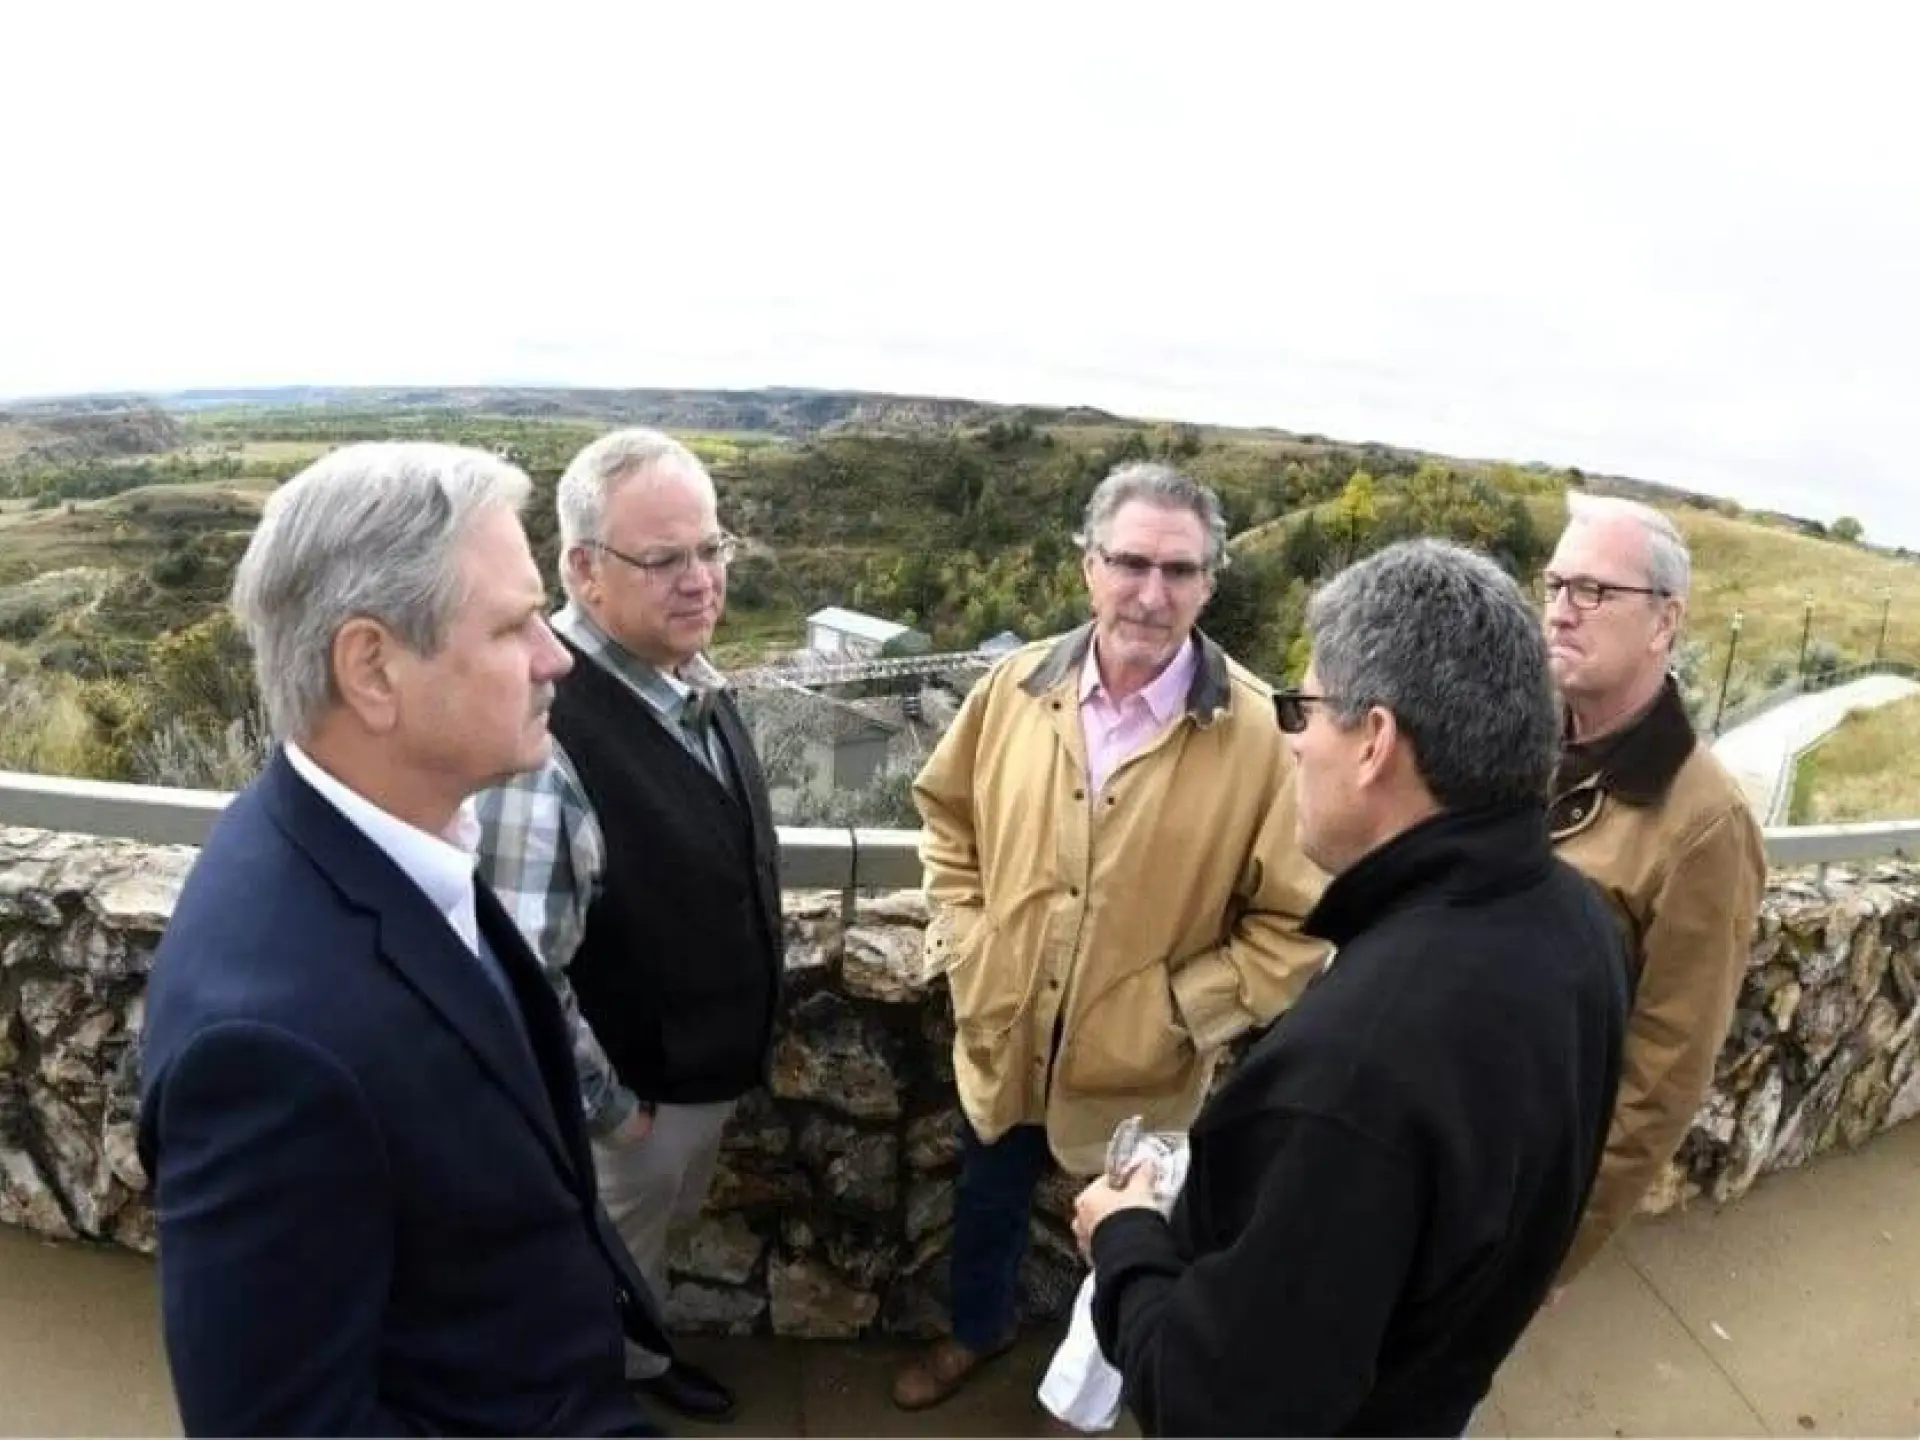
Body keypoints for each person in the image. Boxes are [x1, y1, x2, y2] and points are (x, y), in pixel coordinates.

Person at [138, 442, 668, 1436]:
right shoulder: (266, 1048)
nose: (557, 656)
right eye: (514, 626)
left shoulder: (393, 834)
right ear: (372, 667)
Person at [1074, 538, 1631, 1437]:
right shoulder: (1575, 923)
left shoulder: (1357, 1067)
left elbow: (1214, 1406)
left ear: (1374, 741)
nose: (1292, 741)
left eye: (1305, 709)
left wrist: (1124, 1236)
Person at [894, 461, 1329, 1411]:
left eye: (1179, 570)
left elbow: (1297, 923)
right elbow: (946, 817)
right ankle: (977, 1332)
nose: (1151, 592)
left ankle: (1083, 1406)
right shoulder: (1012, 688)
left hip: (1145, 1067)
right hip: (1007, 1033)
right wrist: (968, 938)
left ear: (1210, 582)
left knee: (1132, 1249)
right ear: (1088, 566)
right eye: (1129, 562)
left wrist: (1179, 1013)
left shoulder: (1260, 736)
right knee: (988, 1205)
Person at [474, 427, 779, 1423]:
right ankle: (609, 1393)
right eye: (664, 559)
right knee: (606, 1265)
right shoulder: (551, 740)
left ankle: (635, 1364)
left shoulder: (689, 681)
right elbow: (522, 968)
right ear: (583, 570)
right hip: (638, 1104)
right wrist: (617, 1114)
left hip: (696, 1075)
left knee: (644, 1250)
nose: (699, 580)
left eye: (710, 549)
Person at [1540, 494, 1766, 1284]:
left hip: (1520, 1181)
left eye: (1593, 591)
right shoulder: (1521, 746)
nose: (1562, 612)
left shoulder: (1708, 825)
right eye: (1555, 585)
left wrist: (1557, 1250)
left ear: (1664, 624)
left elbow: (1662, 1076)